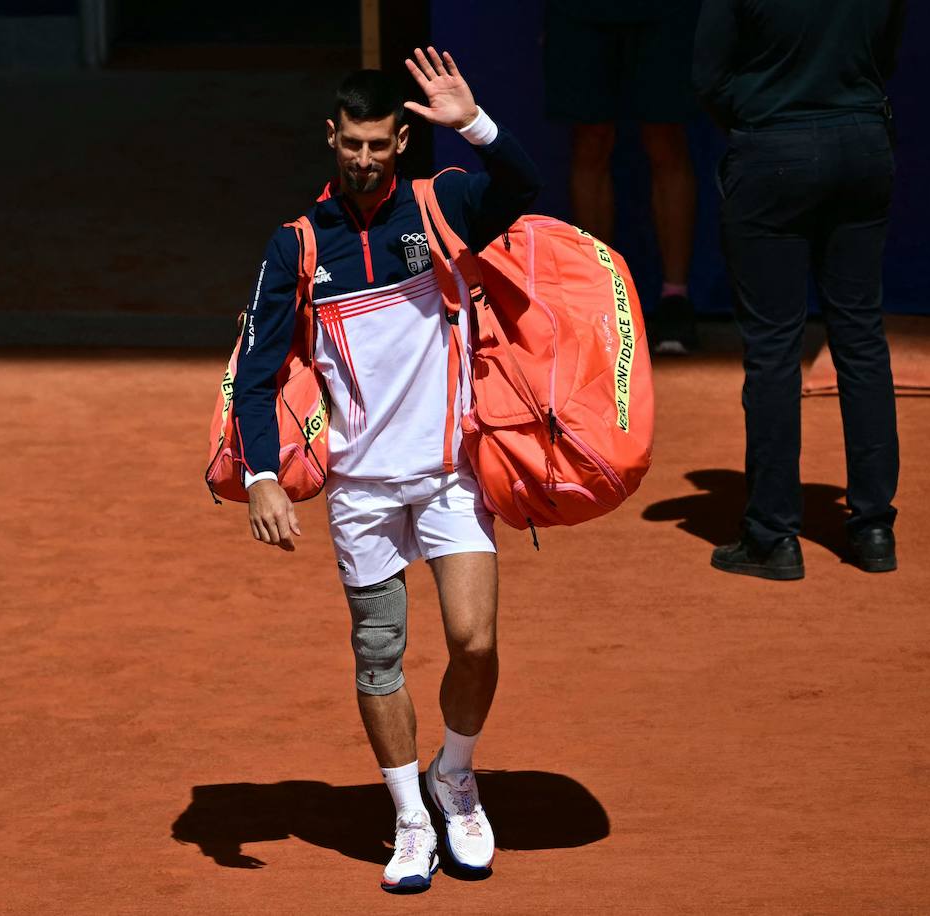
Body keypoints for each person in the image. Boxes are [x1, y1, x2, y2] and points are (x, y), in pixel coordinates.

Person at [230, 49, 541, 892]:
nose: (364, 157)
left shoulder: (443, 208)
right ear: (331, 137)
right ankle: (410, 818)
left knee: (475, 643)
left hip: (448, 475)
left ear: (402, 138)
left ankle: (456, 778)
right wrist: (263, 475)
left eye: (379, 143)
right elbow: (256, 374)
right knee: (380, 657)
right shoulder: (296, 245)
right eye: (350, 143)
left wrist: (473, 123)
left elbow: (523, 184)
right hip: (361, 491)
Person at [693, 0, 907, 579]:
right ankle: (874, 531)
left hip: (773, 152)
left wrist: (767, 111)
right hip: (862, 143)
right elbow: (884, 53)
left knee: (773, 351)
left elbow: (708, 76)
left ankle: (772, 538)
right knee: (861, 338)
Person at [543, 0, 702, 354]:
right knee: (590, 139)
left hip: (665, 12)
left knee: (665, 137)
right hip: (579, 14)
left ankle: (675, 299)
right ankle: (601, 298)